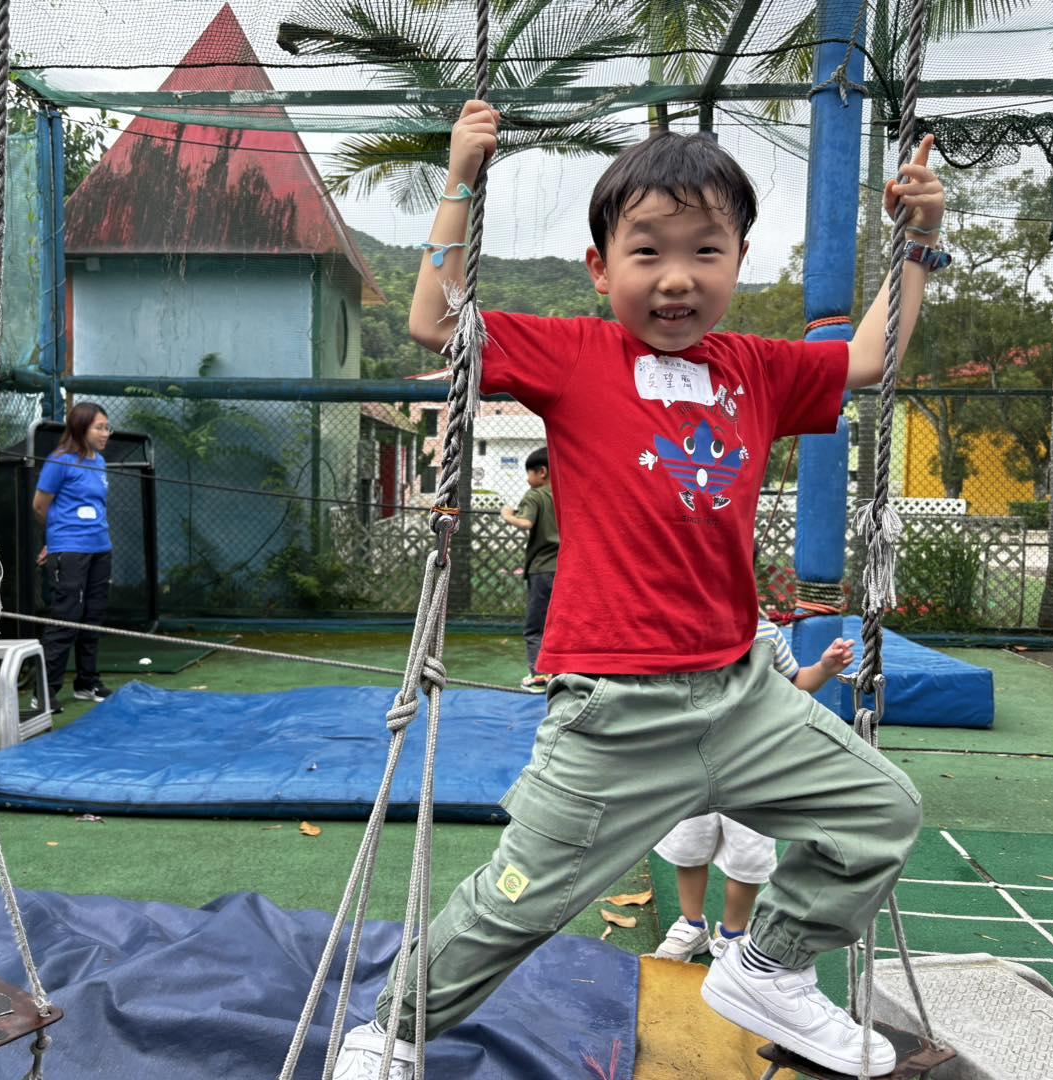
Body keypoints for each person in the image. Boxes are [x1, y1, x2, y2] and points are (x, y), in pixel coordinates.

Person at [332, 101, 946, 1080]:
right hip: (616, 710)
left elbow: (871, 359)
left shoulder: (757, 369)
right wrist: (461, 176)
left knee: (879, 811)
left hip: (744, 694)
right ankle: (392, 1031)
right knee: (517, 901)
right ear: (600, 267)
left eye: (706, 251)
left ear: (738, 261)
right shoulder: (576, 357)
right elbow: (432, 318)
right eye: (648, 250)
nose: (676, 277)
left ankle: (767, 970)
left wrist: (919, 242)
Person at [654, 617, 856, 961]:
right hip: (693, 762)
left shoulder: (764, 632)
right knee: (688, 848)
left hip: (754, 766)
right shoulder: (679, 626)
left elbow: (796, 682)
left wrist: (824, 667)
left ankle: (733, 934)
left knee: (748, 858)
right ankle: (692, 925)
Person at [33, 402, 114, 714]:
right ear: (81, 428)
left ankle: (87, 682)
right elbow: (40, 506)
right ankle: (45, 691)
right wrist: (55, 541)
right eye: (99, 427)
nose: (105, 433)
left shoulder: (101, 462)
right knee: (66, 615)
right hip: (70, 549)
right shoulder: (60, 461)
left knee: (93, 615)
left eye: (107, 427)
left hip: (100, 548)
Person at [499, 447, 558, 692]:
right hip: (566, 569)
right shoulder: (565, 494)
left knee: (535, 627)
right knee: (559, 623)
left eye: (529, 473)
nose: (527, 479)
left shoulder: (535, 495)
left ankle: (538, 676)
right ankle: (559, 673)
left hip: (543, 569)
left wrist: (506, 515)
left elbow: (525, 522)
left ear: (541, 472)